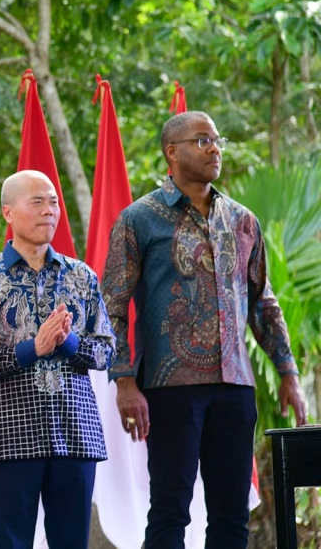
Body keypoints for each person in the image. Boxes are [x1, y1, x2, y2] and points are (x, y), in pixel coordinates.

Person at [102, 111, 308, 548]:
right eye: (202, 140)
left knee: (232, 516)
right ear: (172, 152)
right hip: (169, 388)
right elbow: (112, 307)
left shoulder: (242, 220)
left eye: (217, 140)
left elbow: (262, 302)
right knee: (170, 510)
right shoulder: (139, 219)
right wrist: (123, 381)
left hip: (235, 387)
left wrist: (288, 372)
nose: (214, 148)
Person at [0, 170, 115, 549]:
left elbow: (107, 350)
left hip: (76, 434)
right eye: (38, 202)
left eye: (54, 202)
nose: (49, 211)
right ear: (8, 213)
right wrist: (33, 349)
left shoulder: (81, 276)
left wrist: (68, 343)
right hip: (10, 437)